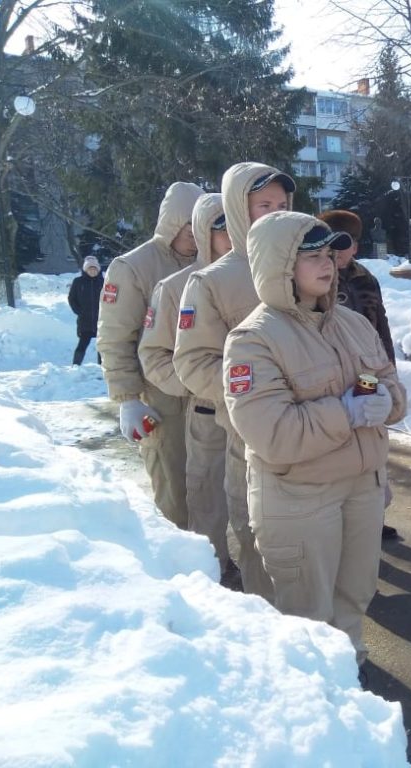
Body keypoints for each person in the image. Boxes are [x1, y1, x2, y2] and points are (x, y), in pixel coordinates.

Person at [223, 211, 406, 672]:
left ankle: (350, 677)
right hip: (301, 498)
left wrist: (388, 402)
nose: (327, 265)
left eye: (329, 254)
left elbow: (389, 382)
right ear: (280, 265)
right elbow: (272, 435)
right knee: (308, 615)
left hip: (360, 488)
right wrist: (344, 412)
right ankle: (317, 699)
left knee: (354, 596)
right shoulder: (252, 341)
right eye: (311, 257)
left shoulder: (351, 323)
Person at [173, 163, 294, 601]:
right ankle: (270, 630)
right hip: (249, 439)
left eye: (282, 206)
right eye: (264, 206)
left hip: (310, 438)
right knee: (256, 533)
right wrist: (251, 395)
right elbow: (192, 363)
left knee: (309, 541)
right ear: (239, 212)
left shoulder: (303, 266)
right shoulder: (211, 282)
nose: (276, 214)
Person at [138, 193, 238, 587]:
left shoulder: (264, 279)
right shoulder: (177, 287)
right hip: (208, 412)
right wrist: (200, 385)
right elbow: (154, 354)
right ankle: (213, 575)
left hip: (259, 412)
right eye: (222, 228)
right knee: (208, 499)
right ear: (202, 231)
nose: (232, 236)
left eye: (236, 225)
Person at [97, 181, 205, 531]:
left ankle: (214, 557)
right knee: (173, 483)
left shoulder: (209, 263)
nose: (194, 236)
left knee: (212, 483)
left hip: (204, 391)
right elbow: (115, 337)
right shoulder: (133, 267)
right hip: (159, 397)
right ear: (171, 223)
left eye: (199, 227)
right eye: (188, 227)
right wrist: (128, 399)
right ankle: (181, 562)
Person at [320, 208, 399, 540]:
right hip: (328, 378)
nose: (344, 250)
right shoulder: (313, 277)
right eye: (337, 243)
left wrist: (389, 371)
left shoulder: (367, 278)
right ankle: (338, 522)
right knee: (336, 449)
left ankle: (371, 518)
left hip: (367, 373)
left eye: (350, 243)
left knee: (371, 445)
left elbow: (381, 326)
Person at [319, 210, 395, 363]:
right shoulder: (316, 280)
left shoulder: (367, 279)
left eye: (344, 243)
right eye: (332, 243)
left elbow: (382, 326)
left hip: (370, 362)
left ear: (354, 247)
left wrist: (390, 364)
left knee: (371, 387)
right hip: (334, 364)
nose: (337, 250)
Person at [68, 254, 103, 365]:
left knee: (102, 346)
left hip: (101, 320)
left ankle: (102, 367)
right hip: (85, 321)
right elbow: (72, 298)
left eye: (94, 269)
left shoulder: (104, 282)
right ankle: (75, 366)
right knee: (82, 344)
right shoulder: (78, 282)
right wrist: (79, 311)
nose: (92, 271)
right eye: (90, 269)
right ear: (85, 270)